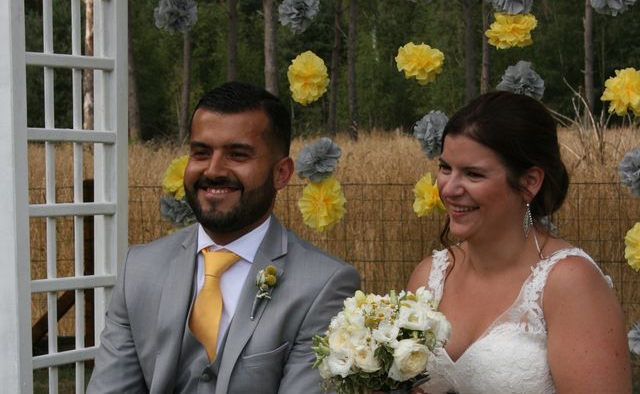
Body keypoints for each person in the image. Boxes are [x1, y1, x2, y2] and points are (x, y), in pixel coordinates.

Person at [87, 81, 361, 393]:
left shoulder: (323, 285)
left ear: (281, 173)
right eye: (201, 152)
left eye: (237, 155)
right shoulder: (139, 269)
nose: (214, 170)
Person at [407, 91, 631, 394]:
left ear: (529, 182)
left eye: (473, 174)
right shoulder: (429, 276)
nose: (449, 188)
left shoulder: (568, 283)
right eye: (446, 168)